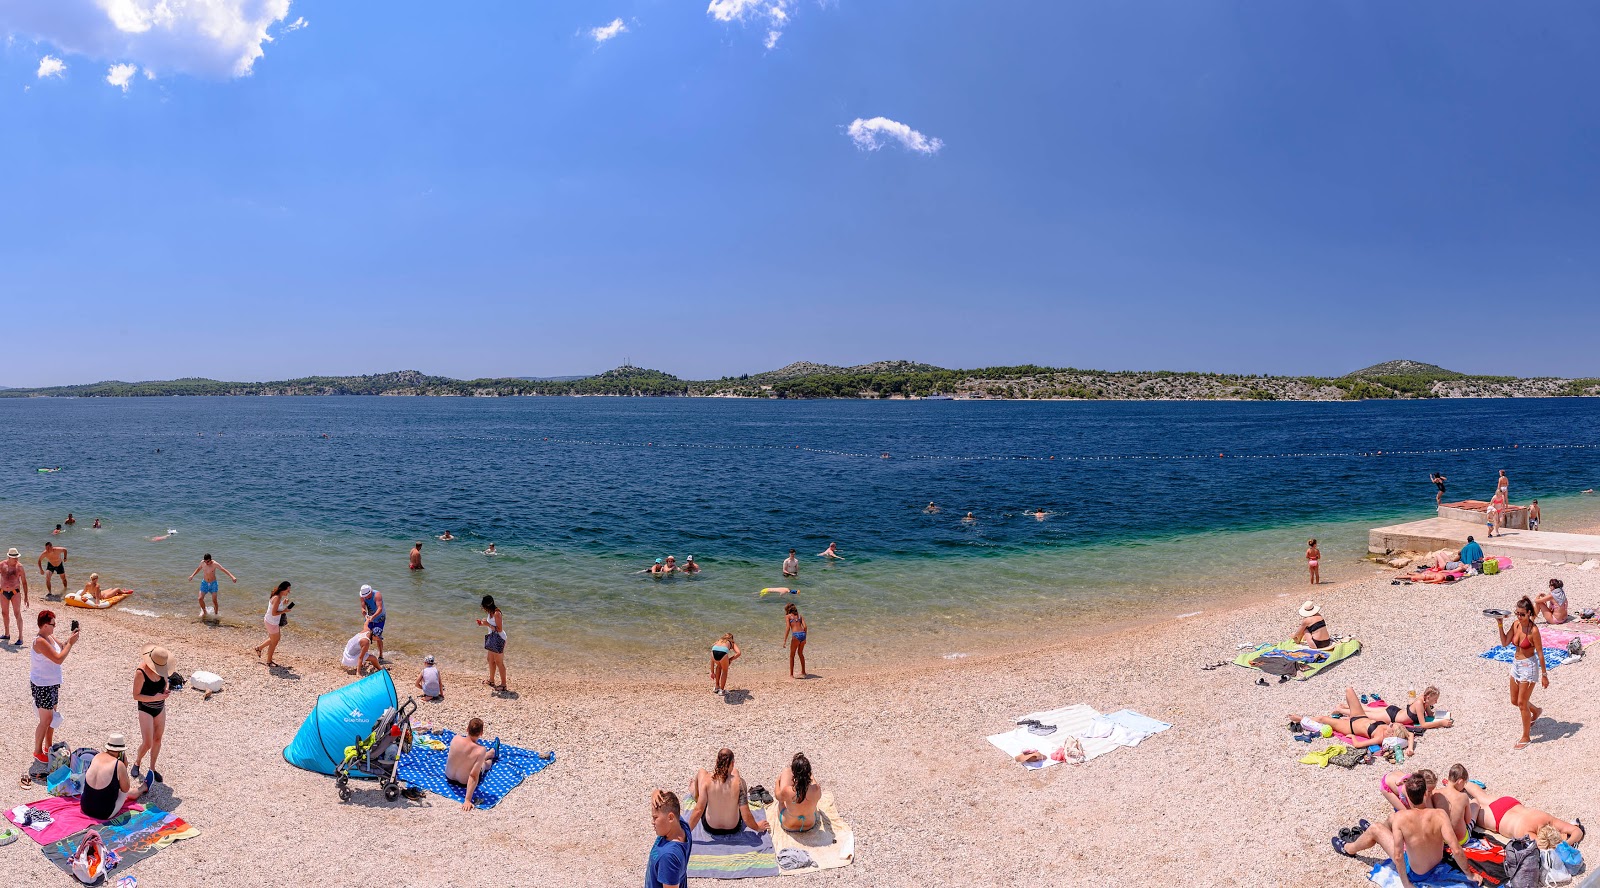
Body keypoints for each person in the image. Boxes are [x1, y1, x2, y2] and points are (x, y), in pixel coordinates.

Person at [1332, 775, 1483, 885]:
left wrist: (1406, 884)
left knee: (1375, 828)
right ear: (1425, 794)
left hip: (1416, 873)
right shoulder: (1440, 815)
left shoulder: (1401, 818)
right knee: (1391, 821)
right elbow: (1456, 849)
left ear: (1407, 796)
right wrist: (1469, 875)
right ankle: (1373, 835)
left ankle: (1349, 848)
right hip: (1437, 863)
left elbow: (1398, 856)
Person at [1290, 689, 1415, 756]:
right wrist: (1410, 748)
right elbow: (1410, 735)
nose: (1391, 723)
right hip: (1360, 716)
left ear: (1392, 733)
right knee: (1349, 690)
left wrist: (1353, 737)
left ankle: (1300, 719)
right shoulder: (1392, 729)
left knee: (1323, 719)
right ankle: (1340, 710)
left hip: (1350, 727)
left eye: (1392, 725)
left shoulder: (1379, 738)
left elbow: (1358, 745)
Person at [1462, 781, 1585, 846]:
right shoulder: (1528, 834)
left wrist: (1566, 841)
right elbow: (1545, 848)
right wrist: (1565, 845)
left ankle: (1460, 782)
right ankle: (1456, 799)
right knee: (1473, 806)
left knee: (1481, 795)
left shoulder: (1547, 819)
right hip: (1498, 818)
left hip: (1510, 803)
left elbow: (1576, 831)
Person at [1495, 596, 1547, 749]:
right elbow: (1505, 643)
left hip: (1528, 666)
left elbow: (1540, 653)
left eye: (1522, 614)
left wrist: (1544, 675)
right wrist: (1500, 624)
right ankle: (1536, 711)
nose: (1519, 616)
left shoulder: (1533, 630)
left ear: (1529, 613)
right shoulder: (1516, 625)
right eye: (1517, 613)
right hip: (1516, 664)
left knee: (1521, 703)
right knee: (1514, 700)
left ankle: (1526, 737)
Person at [31, 609, 79, 764]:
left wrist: (70, 639)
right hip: (42, 685)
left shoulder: (49, 636)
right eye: (53, 624)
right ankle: (37, 751)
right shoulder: (40, 641)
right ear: (45, 626)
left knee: (52, 717)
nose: (55, 626)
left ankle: (48, 746)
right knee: (46, 720)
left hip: (51, 683)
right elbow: (58, 659)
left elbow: (62, 646)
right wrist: (70, 644)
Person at [688, 748, 767, 835]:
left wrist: (686, 833)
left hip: (710, 827)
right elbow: (746, 814)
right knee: (736, 772)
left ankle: (695, 795)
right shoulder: (738, 783)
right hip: (733, 828)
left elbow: (698, 810)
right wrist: (757, 827)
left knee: (701, 772)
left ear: (717, 761)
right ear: (732, 763)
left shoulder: (707, 780)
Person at [131, 645, 172, 784]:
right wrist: (156, 697)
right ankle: (137, 762)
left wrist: (165, 691)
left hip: (160, 707)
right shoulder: (141, 672)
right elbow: (136, 696)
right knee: (147, 743)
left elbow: (164, 684)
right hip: (145, 708)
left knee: (158, 739)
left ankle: (152, 768)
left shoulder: (164, 668)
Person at [80, 734, 145, 820]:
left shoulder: (96, 757)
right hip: (104, 813)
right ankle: (143, 788)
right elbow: (125, 789)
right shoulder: (119, 765)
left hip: (85, 807)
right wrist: (124, 768)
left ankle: (141, 789)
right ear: (121, 752)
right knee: (124, 791)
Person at [1333, 686, 1453, 730]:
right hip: (1391, 716)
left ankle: (1344, 705)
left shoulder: (1424, 701)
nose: (1436, 701)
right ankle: (1341, 710)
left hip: (1393, 710)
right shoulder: (1419, 704)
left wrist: (1443, 716)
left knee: (1367, 709)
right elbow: (1423, 724)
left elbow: (1430, 715)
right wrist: (1441, 723)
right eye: (1435, 699)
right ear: (1428, 697)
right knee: (1362, 714)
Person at [444, 717, 496, 811]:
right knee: (484, 765)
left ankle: (490, 753)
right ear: (481, 733)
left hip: (448, 777)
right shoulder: (480, 750)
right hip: (464, 782)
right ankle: (491, 754)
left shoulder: (456, 738)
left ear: (467, 729)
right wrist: (467, 800)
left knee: (471, 758)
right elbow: (473, 775)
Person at [647, 790, 692, 888]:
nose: (652, 822)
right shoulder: (684, 828)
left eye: (655, 817)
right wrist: (656, 793)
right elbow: (673, 808)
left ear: (670, 818)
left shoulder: (668, 857)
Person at [773, 752, 821, 833]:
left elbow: (778, 797)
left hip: (788, 825)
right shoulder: (816, 789)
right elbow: (814, 784)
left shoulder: (788, 791)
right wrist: (810, 775)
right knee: (812, 804)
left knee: (781, 801)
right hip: (810, 824)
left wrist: (777, 781)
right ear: (808, 772)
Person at [253, 581, 293, 666]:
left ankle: (259, 648)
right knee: (274, 642)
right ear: (283, 589)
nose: (289, 592)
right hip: (271, 622)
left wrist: (283, 603)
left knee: (275, 639)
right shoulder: (277, 598)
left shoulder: (278, 597)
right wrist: (284, 611)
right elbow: (274, 613)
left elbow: (275, 607)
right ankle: (269, 661)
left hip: (271, 621)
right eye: (288, 590)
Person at [188, 554, 237, 619]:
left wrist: (232, 577)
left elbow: (223, 569)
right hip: (204, 583)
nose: (206, 563)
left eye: (208, 561)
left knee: (214, 600)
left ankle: (216, 615)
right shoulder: (202, 562)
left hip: (213, 584)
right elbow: (198, 569)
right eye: (205, 561)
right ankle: (205, 612)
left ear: (210, 559)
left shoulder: (215, 564)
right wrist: (192, 576)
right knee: (200, 598)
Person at [477, 595, 508, 691]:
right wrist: (482, 624)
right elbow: (491, 626)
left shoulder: (497, 613)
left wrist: (487, 624)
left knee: (499, 662)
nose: (483, 608)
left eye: (483, 606)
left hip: (499, 638)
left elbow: (499, 629)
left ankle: (503, 684)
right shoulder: (490, 612)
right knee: (490, 660)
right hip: (492, 638)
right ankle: (491, 680)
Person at [1, 547, 30, 644]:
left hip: (15, 593)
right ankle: (7, 634)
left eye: (17, 557)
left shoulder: (19, 567)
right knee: (4, 613)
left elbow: (24, 583)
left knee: (17, 613)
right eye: (15, 558)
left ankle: (20, 637)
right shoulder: (2, 565)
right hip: (3, 592)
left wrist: (26, 597)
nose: (17, 559)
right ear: (9, 557)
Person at [359, 584, 387, 661]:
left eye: (367, 596)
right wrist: (365, 615)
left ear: (370, 592)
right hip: (369, 618)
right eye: (364, 596)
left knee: (377, 637)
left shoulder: (377, 595)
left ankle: (381, 656)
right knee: (365, 636)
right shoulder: (362, 596)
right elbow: (363, 608)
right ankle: (364, 655)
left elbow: (380, 608)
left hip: (379, 618)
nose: (366, 597)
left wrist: (373, 617)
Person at [783, 603, 808, 679]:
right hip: (803, 635)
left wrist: (784, 640)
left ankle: (791, 674)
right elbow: (805, 627)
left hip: (796, 635)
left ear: (788, 610)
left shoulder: (788, 617)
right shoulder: (800, 616)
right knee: (800, 653)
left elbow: (788, 628)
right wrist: (805, 637)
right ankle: (803, 672)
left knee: (792, 655)